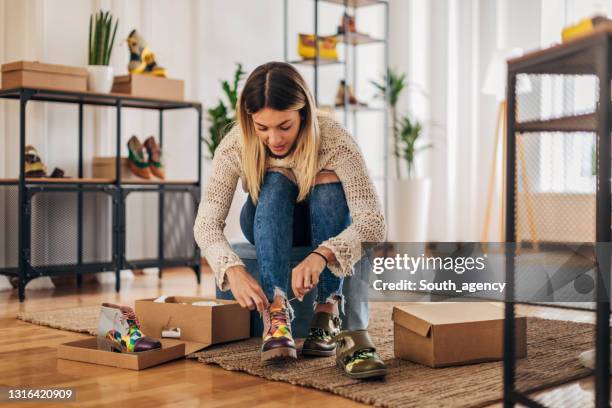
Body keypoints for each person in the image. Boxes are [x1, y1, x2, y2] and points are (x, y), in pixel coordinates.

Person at [194, 62, 387, 378]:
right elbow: (206, 223)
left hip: (324, 219)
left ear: (304, 114)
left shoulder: (335, 140)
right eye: (262, 127)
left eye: (284, 126)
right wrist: (231, 268)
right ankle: (277, 309)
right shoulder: (235, 144)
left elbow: (373, 222)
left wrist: (321, 254)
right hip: (264, 215)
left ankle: (327, 311)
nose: (274, 139)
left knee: (326, 182)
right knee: (275, 178)